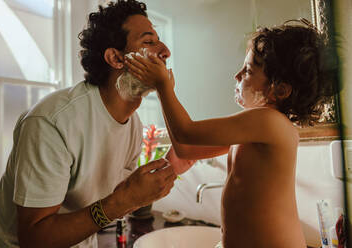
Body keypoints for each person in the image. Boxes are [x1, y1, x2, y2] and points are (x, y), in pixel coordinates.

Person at [0, 1, 200, 247]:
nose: (166, 51)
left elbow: (117, 199)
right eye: (149, 42)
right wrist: (124, 199)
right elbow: (35, 239)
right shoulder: (52, 123)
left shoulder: (132, 126)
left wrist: (170, 168)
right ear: (117, 58)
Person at [124, 19, 338, 248]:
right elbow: (186, 148)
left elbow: (185, 134)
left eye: (247, 71)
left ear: (280, 90)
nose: (237, 76)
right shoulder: (256, 129)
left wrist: (163, 86)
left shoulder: (269, 122)